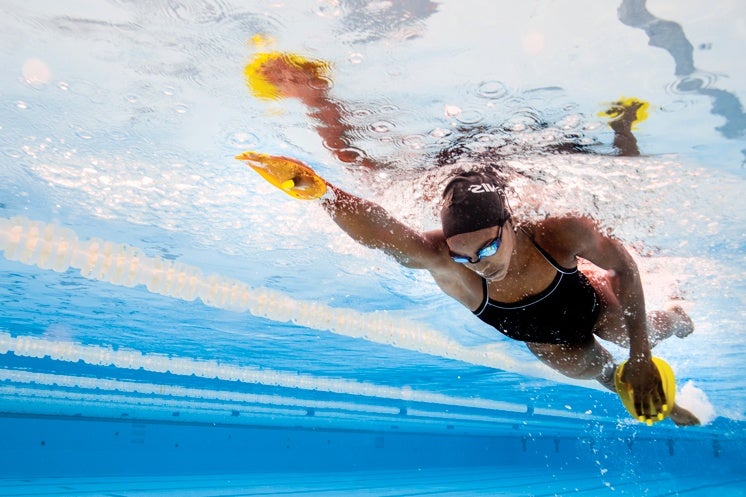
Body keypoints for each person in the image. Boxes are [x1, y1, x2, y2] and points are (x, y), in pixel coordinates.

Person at [240, 52, 700, 426]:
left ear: (512, 225)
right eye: (465, 255)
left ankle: (676, 312)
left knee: (641, 333)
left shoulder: (559, 232)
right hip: (549, 343)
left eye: (486, 248)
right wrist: (321, 193)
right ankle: (312, 92)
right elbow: (382, 233)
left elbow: (625, 267)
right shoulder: (448, 261)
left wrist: (640, 354)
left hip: (593, 304)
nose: (479, 263)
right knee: (605, 375)